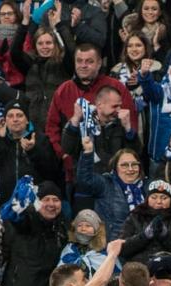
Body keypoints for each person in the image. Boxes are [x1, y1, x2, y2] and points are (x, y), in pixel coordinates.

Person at [45, 43, 137, 183]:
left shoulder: (116, 87)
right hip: (76, 171)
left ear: (99, 63)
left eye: (89, 61)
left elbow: (131, 125)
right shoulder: (64, 90)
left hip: (115, 173)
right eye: (79, 61)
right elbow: (52, 128)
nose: (83, 65)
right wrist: (63, 155)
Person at [1, 181, 67, 286]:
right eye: (46, 199)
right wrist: (16, 209)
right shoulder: (28, 217)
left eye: (55, 200)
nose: (51, 204)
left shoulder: (62, 226)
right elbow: (15, 219)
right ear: (37, 202)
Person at [0, 100, 61, 202]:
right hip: (4, 203)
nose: (15, 119)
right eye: (10, 116)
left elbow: (51, 172)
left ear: (27, 120)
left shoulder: (40, 139)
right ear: (5, 120)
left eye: (19, 115)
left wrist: (33, 151)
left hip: (34, 204)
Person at [11, 15, 74, 135]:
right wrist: (24, 25)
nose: (44, 47)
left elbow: (72, 50)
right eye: (40, 43)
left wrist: (60, 26)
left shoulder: (64, 64)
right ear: (35, 46)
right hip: (33, 125)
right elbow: (14, 52)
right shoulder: (30, 63)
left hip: (59, 125)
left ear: (55, 44)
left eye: (48, 43)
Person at [61, 85, 142, 175]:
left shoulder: (121, 123)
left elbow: (136, 154)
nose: (118, 110)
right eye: (114, 106)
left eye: (120, 106)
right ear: (99, 105)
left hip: (116, 179)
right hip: (88, 179)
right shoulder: (83, 122)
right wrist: (75, 119)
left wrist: (128, 129)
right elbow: (67, 149)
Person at [76, 140, 147, 241]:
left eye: (134, 164)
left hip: (140, 247)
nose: (130, 169)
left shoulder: (146, 187)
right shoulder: (106, 184)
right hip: (111, 248)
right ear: (115, 167)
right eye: (125, 165)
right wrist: (88, 153)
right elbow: (84, 181)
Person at [118, 179, 171, 264]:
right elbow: (123, 249)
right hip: (138, 269)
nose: (158, 202)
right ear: (147, 199)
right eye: (154, 197)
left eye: (164, 198)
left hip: (170, 270)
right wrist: (144, 236)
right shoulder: (135, 216)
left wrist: (165, 237)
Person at [58, 209, 115, 278]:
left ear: (97, 229)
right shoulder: (69, 249)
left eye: (88, 226)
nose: (83, 229)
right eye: (79, 225)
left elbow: (114, 276)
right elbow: (59, 277)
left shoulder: (106, 252)